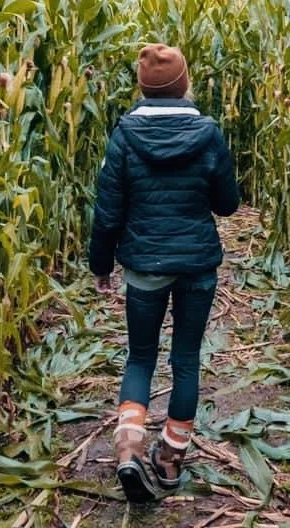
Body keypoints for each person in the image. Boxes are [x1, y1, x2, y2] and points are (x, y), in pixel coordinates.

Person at [88, 43, 241, 502]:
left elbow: (107, 213)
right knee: (186, 359)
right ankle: (171, 458)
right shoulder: (208, 134)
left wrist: (101, 265)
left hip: (145, 264)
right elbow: (227, 205)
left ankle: (129, 449)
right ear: (184, 84)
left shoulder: (124, 137)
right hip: (197, 265)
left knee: (140, 357)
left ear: (143, 88)